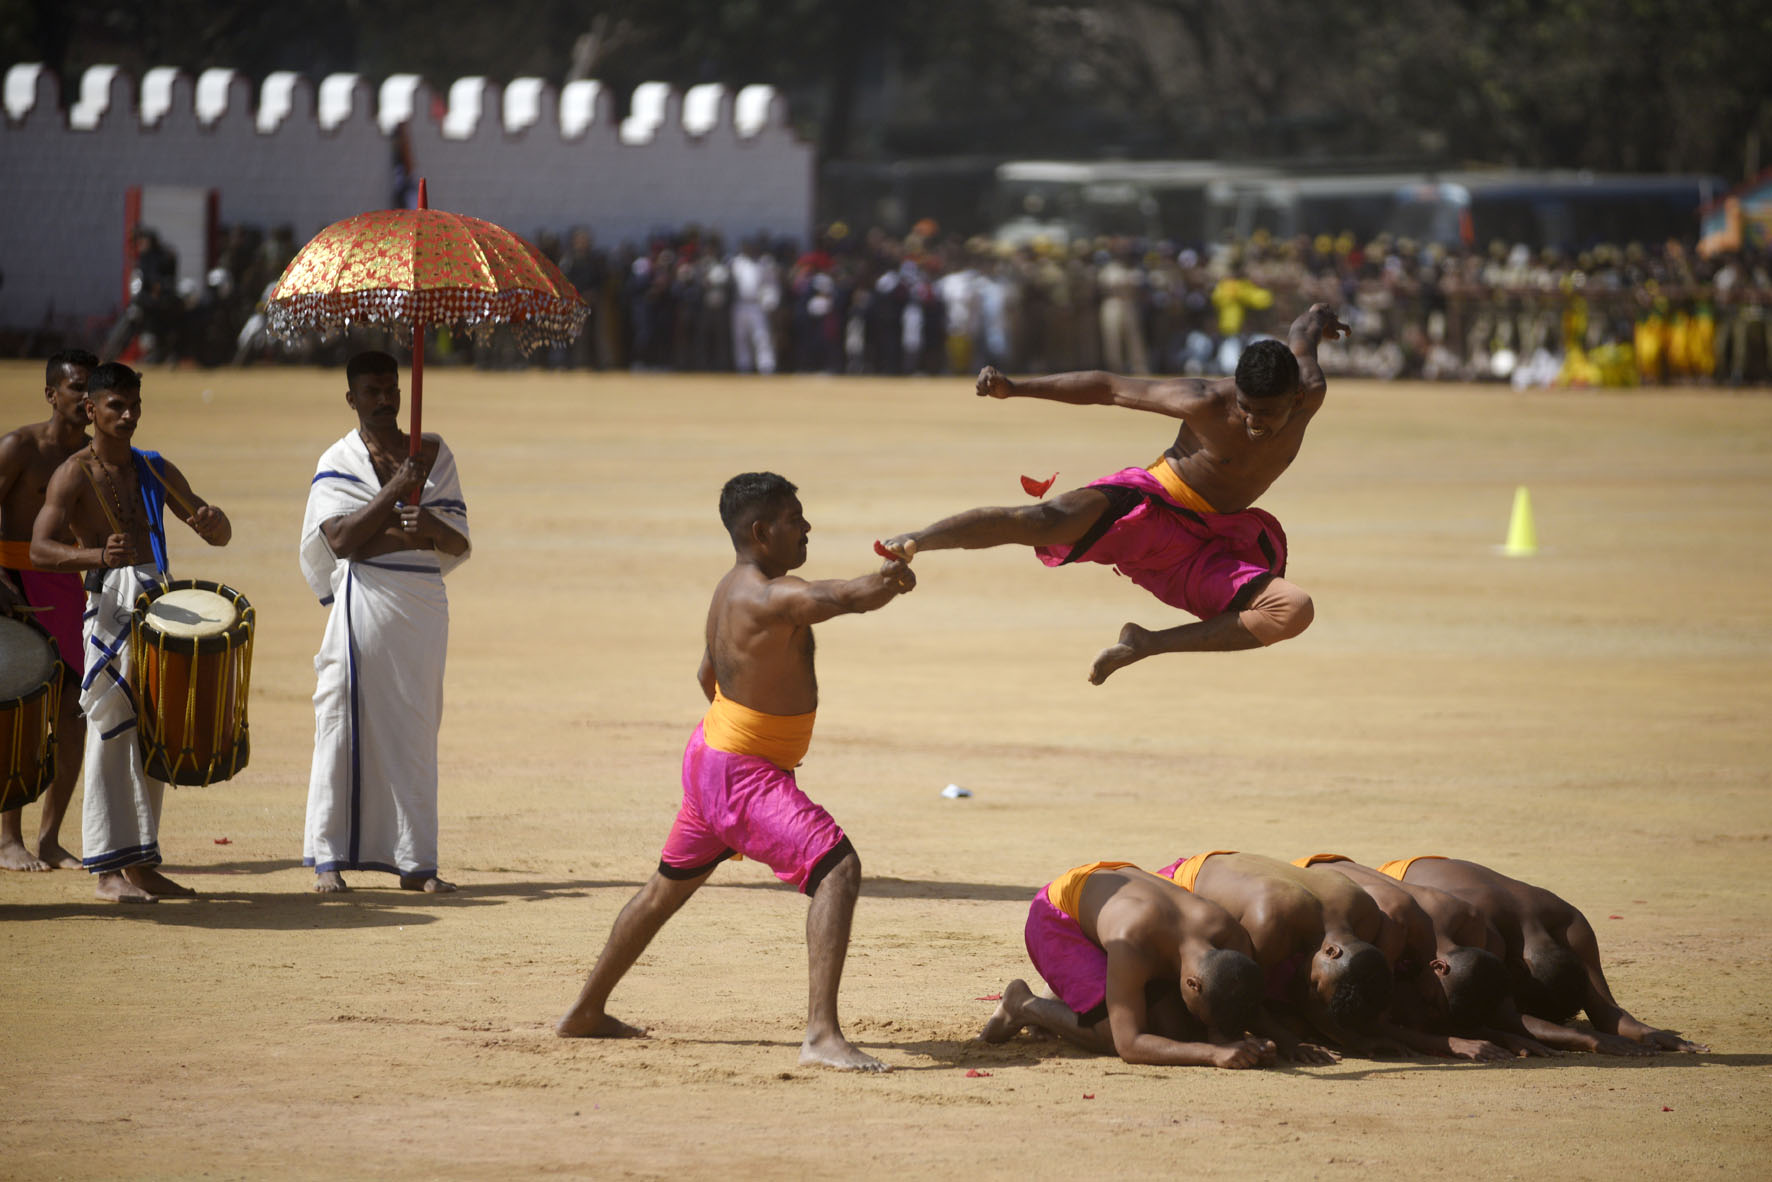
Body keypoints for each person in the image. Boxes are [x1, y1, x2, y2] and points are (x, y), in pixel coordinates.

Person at [557, 472, 915, 1071]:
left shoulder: (729, 590)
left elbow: (708, 674)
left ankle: (584, 1013)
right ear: (760, 531)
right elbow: (841, 597)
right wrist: (887, 581)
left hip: (715, 758)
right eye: (794, 518)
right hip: (740, 773)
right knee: (837, 868)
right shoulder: (767, 595)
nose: (806, 527)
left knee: (661, 893)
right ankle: (820, 1035)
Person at [880, 302, 1349, 684]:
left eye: (1265, 414)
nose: (1252, 422)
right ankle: (919, 539)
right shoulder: (1204, 400)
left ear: (1296, 399)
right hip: (1152, 503)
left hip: (1213, 543)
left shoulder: (1312, 386)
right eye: (1246, 408)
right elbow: (1107, 387)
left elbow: (1304, 326)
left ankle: (1146, 644)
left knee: (1293, 610)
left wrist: (1323, 316)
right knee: (1045, 520)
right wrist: (1016, 388)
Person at [29, 362, 231, 902]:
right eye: (116, 406)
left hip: (156, 607)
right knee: (108, 730)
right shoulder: (73, 473)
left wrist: (214, 522)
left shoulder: (155, 469)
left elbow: (217, 531)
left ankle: (141, 863)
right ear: (91, 411)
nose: (128, 415)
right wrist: (95, 554)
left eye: (134, 405)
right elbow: (38, 548)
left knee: (149, 737)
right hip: (107, 610)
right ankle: (106, 870)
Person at [299, 351, 471, 894]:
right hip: (364, 602)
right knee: (341, 719)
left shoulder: (434, 453)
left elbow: (458, 540)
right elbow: (342, 541)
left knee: (417, 728)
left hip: (421, 602)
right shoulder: (339, 458)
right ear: (351, 398)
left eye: (391, 388)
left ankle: (417, 863)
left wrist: (425, 524)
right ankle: (327, 859)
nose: (385, 399)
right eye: (371, 391)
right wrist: (398, 492)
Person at [1377, 855, 1707, 1054]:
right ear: (1516, 972)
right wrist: (1584, 1039)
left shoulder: (1570, 923)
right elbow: (1502, 1016)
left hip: (1436, 863)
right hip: (1395, 877)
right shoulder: (1479, 928)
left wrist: (1648, 1034)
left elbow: (1607, 1013)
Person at [980, 860, 1275, 1069]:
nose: (1211, 1030)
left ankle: (1071, 993)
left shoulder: (1230, 934)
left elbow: (1240, 1000)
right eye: (1206, 1018)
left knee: (1175, 1030)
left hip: (1119, 894)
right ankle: (1023, 1005)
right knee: (1111, 1033)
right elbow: (1129, 1044)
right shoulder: (1133, 941)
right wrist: (1212, 1053)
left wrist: (1282, 1042)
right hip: (1058, 918)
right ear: (1192, 984)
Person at [0, 350, 96, 871]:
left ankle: (51, 838)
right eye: (77, 388)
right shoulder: (20, 447)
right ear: (51, 394)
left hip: (65, 587)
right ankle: (7, 837)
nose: (86, 399)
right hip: (11, 583)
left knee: (72, 715)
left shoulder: (94, 456)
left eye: (91, 388)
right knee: (19, 714)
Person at [1293, 854, 1525, 1060]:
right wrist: (1448, 1043)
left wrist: (1499, 1036)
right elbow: (1369, 1017)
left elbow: (1477, 1007)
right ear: (1439, 967)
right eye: (1433, 1001)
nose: (1430, 1011)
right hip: (1305, 875)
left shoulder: (1471, 926)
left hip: (1334, 867)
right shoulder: (1394, 929)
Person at [1160, 850, 1388, 1058]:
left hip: (1242, 869)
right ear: (1331, 951)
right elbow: (1238, 992)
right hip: (1181, 882)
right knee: (1180, 1023)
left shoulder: (1365, 913)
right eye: (1315, 985)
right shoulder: (1269, 929)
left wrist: (1354, 1040)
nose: (1309, 990)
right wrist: (1290, 1042)